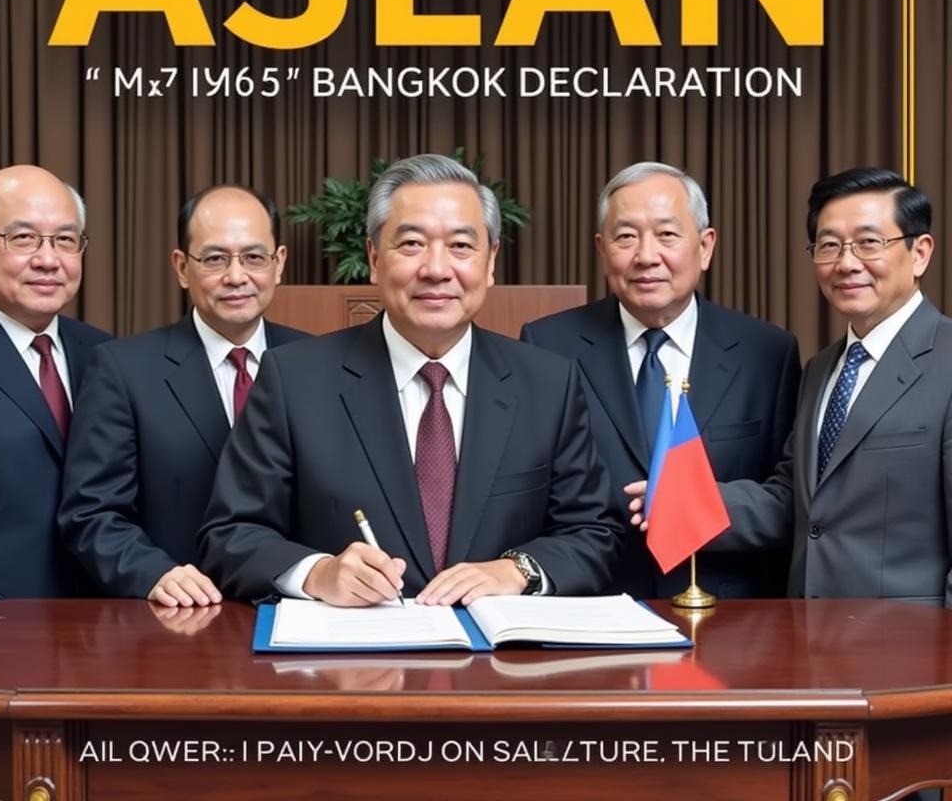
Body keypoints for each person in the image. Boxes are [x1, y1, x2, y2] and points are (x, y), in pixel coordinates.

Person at [198, 154, 620, 606]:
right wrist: (318, 574)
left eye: (461, 246)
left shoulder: (548, 384)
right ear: (375, 258)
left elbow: (593, 533)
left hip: (501, 666)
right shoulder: (293, 379)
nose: (436, 269)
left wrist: (516, 571)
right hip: (351, 667)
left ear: (490, 261)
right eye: (412, 244)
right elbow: (229, 535)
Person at [628, 167, 952, 607]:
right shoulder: (822, 369)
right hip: (807, 637)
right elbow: (793, 498)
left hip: (907, 650)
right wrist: (684, 498)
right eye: (830, 245)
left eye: (870, 243)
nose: (847, 262)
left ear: (920, 253)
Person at [522, 162, 801, 598]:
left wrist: (695, 506)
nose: (646, 256)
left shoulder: (767, 352)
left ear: (706, 247)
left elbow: (788, 500)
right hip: (591, 607)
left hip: (728, 615)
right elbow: (533, 490)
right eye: (625, 236)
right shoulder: (547, 344)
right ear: (602, 249)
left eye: (667, 235)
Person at [59, 186, 307, 607]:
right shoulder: (123, 370)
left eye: (253, 257)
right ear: (181, 267)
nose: (236, 276)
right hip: (177, 617)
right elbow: (91, 514)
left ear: (278, 263)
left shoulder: (315, 363)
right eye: (214, 259)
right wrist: (154, 573)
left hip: (301, 616)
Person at [0, 165, 110, 606]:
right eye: (23, 238)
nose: (48, 259)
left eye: (65, 240)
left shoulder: (104, 355)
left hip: (96, 634)